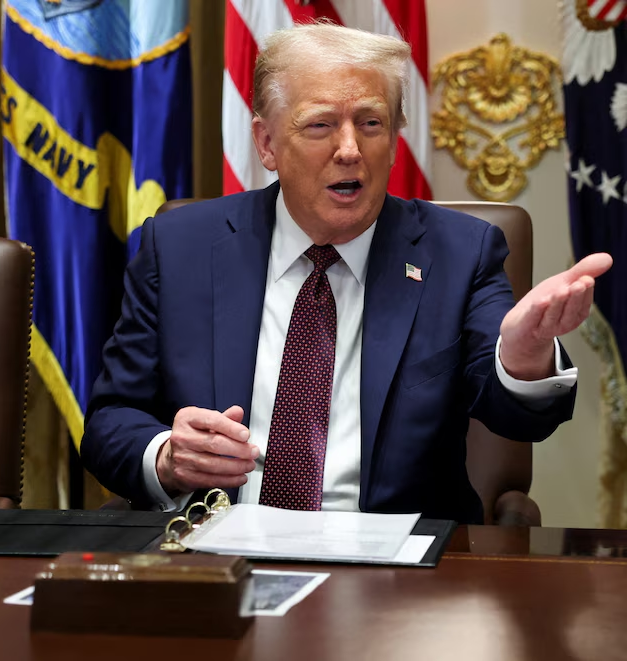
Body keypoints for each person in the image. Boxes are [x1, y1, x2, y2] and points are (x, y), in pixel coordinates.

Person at [80, 21, 612, 523]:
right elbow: (110, 421)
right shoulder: (181, 247)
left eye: (371, 123)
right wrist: (168, 456)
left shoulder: (460, 252)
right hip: (220, 555)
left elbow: (518, 418)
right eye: (321, 125)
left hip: (398, 573)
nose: (351, 150)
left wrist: (522, 361)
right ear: (266, 144)